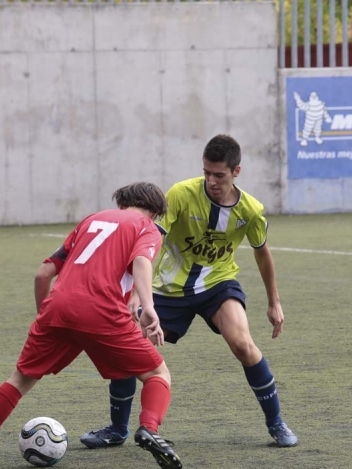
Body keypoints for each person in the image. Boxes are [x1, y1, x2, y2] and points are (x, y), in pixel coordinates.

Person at [80, 134, 298, 449]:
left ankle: (276, 423)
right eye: (206, 172)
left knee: (243, 345)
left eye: (219, 175)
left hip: (218, 285)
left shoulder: (251, 210)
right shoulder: (182, 194)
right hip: (168, 288)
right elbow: (149, 242)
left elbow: (262, 252)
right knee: (129, 347)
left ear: (236, 172)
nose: (211, 180)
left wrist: (274, 302)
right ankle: (117, 429)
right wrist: (138, 295)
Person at [0, 182, 183, 469]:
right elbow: (141, 261)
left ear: (122, 203)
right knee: (156, 372)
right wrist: (148, 307)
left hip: (57, 308)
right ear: (155, 212)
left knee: (20, 379)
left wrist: (44, 317)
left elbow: (43, 273)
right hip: (102, 311)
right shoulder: (145, 227)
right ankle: (149, 428)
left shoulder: (90, 221)